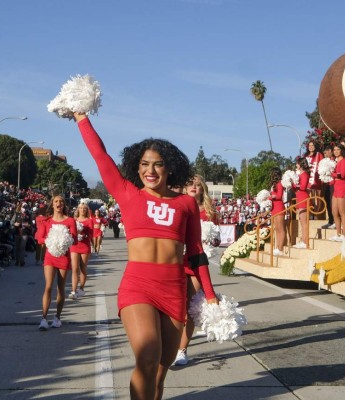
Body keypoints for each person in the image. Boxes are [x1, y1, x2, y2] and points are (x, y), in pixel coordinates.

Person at [73, 112, 213, 399]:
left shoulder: (186, 203)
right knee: (148, 358)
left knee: (161, 372)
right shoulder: (127, 193)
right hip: (139, 286)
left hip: (174, 289)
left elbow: (196, 252)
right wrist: (81, 118)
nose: (151, 171)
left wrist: (209, 295)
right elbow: (100, 156)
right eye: (144, 164)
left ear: (170, 168)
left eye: (158, 165)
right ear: (136, 168)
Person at [173, 175, 218, 366]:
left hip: (196, 263)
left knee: (189, 310)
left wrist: (210, 242)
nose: (193, 186)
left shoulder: (208, 212)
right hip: (175, 262)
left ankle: (182, 350)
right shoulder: (176, 206)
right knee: (175, 308)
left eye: (198, 185)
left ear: (202, 190)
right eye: (190, 183)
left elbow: (214, 239)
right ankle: (171, 343)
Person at [38, 195, 78, 331]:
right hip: (50, 256)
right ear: (52, 204)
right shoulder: (47, 221)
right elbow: (40, 238)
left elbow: (74, 240)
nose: (59, 203)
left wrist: (65, 239)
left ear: (64, 205)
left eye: (61, 201)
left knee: (60, 287)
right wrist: (50, 241)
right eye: (56, 201)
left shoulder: (71, 221)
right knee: (48, 286)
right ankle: (44, 318)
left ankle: (57, 317)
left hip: (64, 257)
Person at [69, 202, 94, 300]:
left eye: (84, 209)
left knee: (83, 268)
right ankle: (73, 291)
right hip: (75, 246)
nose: (82, 210)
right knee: (74, 269)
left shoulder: (89, 221)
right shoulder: (73, 220)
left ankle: (81, 289)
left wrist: (84, 235)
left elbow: (91, 234)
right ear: (78, 210)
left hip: (84, 246)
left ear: (86, 210)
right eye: (81, 208)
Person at [329, 143, 345, 241]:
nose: (336, 151)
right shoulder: (334, 162)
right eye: (334, 150)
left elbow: (342, 174)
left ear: (341, 150)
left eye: (338, 149)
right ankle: (338, 233)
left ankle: (344, 235)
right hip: (336, 187)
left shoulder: (344, 161)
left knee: (342, 212)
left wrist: (331, 173)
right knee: (334, 212)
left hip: (342, 186)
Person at [292, 157, 310, 248]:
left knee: (304, 221)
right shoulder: (299, 175)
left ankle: (305, 241)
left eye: (297, 163)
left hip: (303, 198)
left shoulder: (305, 174)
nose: (296, 165)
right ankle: (303, 240)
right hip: (299, 198)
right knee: (301, 220)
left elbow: (303, 187)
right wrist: (291, 183)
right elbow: (296, 188)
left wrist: (295, 184)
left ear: (301, 164)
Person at [304, 140, 324, 219]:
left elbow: (322, 165)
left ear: (315, 146)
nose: (311, 147)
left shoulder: (318, 155)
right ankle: (310, 214)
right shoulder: (306, 156)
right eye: (309, 146)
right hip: (307, 180)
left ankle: (316, 215)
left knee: (316, 198)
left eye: (312, 145)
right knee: (309, 198)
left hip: (316, 180)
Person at [269, 167, 286, 256]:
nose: (270, 175)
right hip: (274, 208)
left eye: (272, 173)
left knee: (281, 229)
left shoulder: (280, 184)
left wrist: (271, 197)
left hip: (279, 207)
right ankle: (277, 246)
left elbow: (279, 196)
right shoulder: (273, 185)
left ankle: (280, 248)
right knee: (277, 229)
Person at [320, 145, 335, 229]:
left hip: (334, 185)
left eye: (326, 153)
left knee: (333, 204)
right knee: (328, 204)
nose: (325, 155)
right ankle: (330, 220)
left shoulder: (334, 160)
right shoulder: (324, 161)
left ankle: (336, 221)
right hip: (326, 185)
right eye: (324, 153)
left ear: (330, 151)